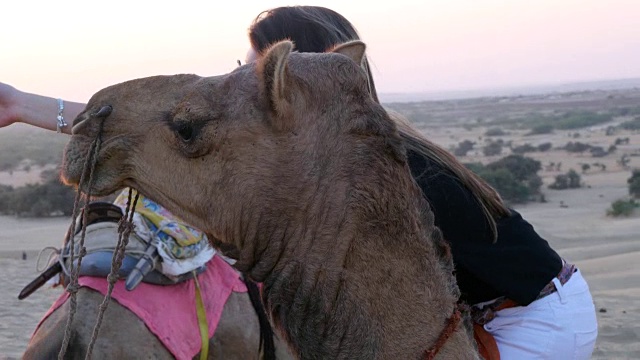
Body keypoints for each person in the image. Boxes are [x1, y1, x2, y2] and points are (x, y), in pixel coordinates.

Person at [0, 5, 597, 359]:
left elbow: (185, 133)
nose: (241, 77)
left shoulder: (387, 169)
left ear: (301, 79)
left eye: (258, 69)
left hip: (534, 316)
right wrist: (24, 105)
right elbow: (165, 129)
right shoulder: (352, 155)